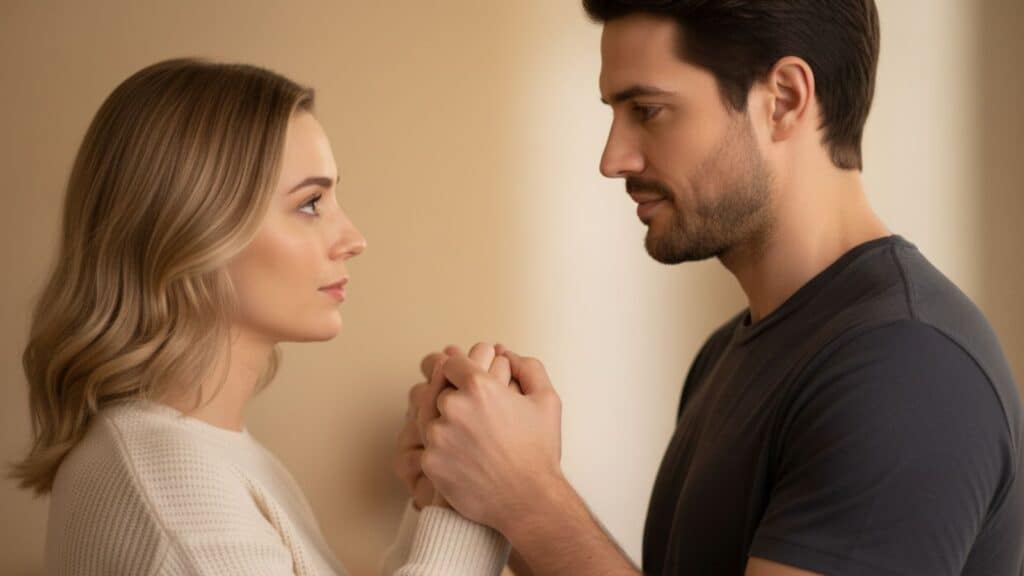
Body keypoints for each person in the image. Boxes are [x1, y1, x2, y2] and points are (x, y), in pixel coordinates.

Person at [402, 1, 1024, 575]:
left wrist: (531, 500)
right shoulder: (728, 355)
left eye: (647, 111)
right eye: (614, 113)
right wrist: (488, 496)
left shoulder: (906, 369)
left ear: (783, 99)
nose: (613, 159)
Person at [12, 58, 509, 576]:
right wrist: (473, 500)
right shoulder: (171, 491)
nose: (354, 239)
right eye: (311, 203)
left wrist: (437, 500)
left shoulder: (202, 456)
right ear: (193, 227)